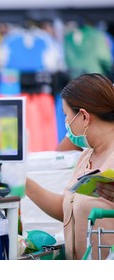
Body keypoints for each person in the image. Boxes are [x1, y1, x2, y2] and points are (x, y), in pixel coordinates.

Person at [26, 73, 114, 260]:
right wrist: (24, 183)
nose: (66, 124)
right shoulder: (86, 156)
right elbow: (67, 210)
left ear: (83, 116)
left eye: (67, 116)